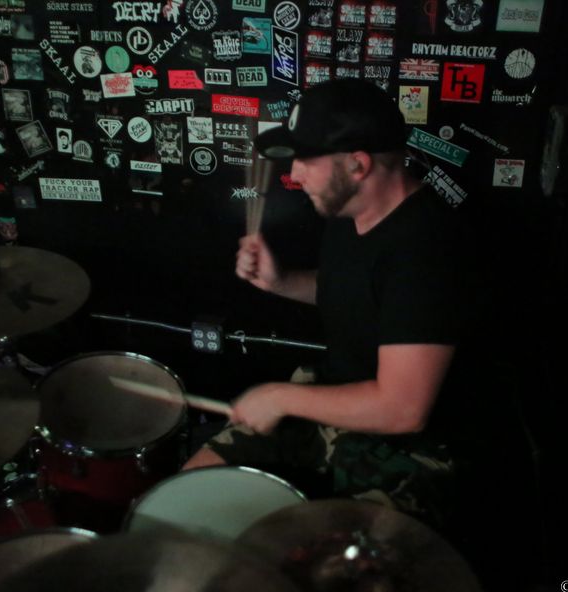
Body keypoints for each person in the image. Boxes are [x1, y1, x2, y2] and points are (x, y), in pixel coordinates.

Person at [183, 79, 486, 529]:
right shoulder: (348, 210)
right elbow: (359, 292)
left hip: (411, 448)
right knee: (189, 493)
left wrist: (279, 397)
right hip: (331, 398)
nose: (294, 174)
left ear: (358, 164)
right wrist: (282, 282)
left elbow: (403, 409)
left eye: (306, 160)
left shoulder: (426, 249)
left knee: (320, 558)